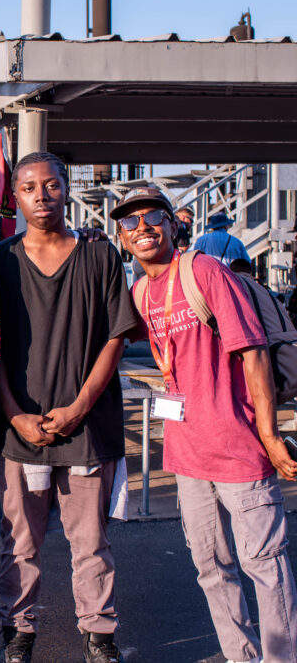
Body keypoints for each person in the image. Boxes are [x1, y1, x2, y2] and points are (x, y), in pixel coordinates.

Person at [116, 186, 297, 663]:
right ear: (121, 236)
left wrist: (271, 435)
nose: (143, 228)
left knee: (265, 566)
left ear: (174, 223)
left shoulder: (203, 270)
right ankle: (241, 657)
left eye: (153, 216)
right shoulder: (140, 292)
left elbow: (253, 350)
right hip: (187, 454)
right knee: (212, 568)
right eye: (131, 222)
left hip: (238, 448)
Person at [0, 152, 137, 663]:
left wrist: (78, 407)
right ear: (15, 197)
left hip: (86, 427)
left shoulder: (99, 256)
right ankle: (18, 631)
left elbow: (116, 338)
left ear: (67, 190)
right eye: (30, 188)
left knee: (90, 542)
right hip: (17, 431)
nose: (42, 196)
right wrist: (13, 414)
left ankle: (99, 634)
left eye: (52, 186)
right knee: (19, 543)